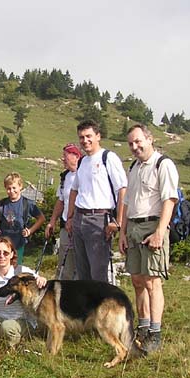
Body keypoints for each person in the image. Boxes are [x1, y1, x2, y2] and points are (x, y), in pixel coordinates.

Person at [119, 124, 179, 354]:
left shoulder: (163, 164)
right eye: (131, 144)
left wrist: (160, 232)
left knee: (153, 282)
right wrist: (122, 233)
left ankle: (155, 332)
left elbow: (169, 200)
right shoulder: (134, 167)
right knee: (137, 280)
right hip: (133, 227)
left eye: (138, 141)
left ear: (149, 139)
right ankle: (143, 327)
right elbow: (127, 203)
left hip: (153, 225)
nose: (135, 147)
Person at [66, 120, 127, 283]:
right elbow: (74, 190)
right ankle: (87, 300)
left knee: (98, 272)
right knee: (82, 272)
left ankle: (103, 300)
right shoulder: (82, 161)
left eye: (89, 136)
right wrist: (70, 217)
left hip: (99, 219)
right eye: (81, 137)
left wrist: (119, 221)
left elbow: (122, 189)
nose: (85, 141)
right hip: (79, 217)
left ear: (98, 136)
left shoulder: (108, 158)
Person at [0, 236, 46, 348]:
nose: (1, 256)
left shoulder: (21, 271)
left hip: (22, 320)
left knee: (7, 327)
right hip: (0, 317)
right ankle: (0, 344)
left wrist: (41, 279)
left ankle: (13, 346)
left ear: (12, 254)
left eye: (5, 253)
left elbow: (39, 280)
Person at [45, 143, 82, 279]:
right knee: (64, 264)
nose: (62, 159)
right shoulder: (64, 177)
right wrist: (52, 221)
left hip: (81, 226)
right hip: (66, 225)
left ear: (76, 156)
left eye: (65, 156)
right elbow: (61, 200)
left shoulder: (84, 174)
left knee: (81, 264)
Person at [0, 172, 45, 264]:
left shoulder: (27, 203)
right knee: (2, 266)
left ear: (20, 186)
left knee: (16, 267)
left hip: (19, 242)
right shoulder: (2, 203)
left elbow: (41, 218)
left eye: (14, 188)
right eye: (8, 188)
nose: (11, 191)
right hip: (3, 243)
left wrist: (30, 231)